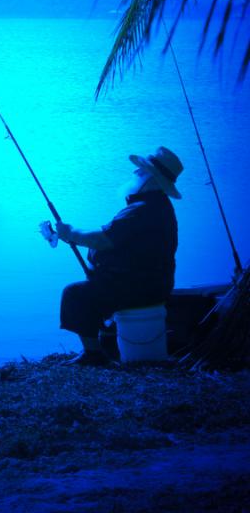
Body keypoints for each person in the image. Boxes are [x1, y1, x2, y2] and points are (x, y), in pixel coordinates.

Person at [55, 146, 183, 366]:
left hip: (140, 288)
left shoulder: (142, 209)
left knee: (75, 294)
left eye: (141, 171)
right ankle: (105, 343)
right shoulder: (155, 206)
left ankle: (93, 355)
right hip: (149, 284)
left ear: (153, 179)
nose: (135, 173)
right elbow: (113, 237)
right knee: (97, 284)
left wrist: (70, 233)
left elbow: (101, 239)